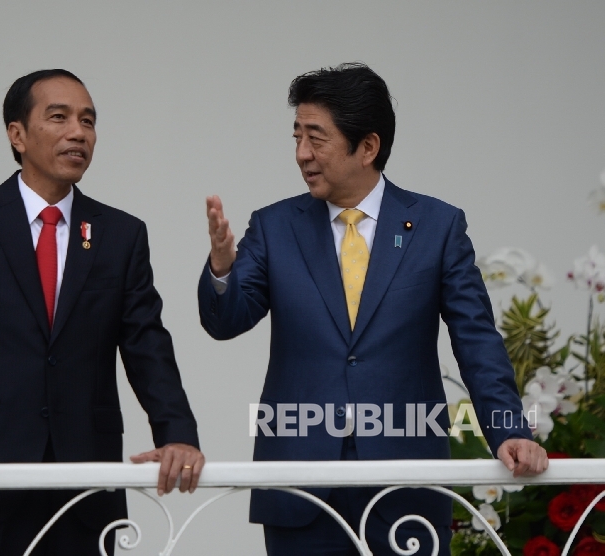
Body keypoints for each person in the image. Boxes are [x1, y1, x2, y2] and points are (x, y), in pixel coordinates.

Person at [198, 63, 548, 556]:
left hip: (406, 483)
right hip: (300, 482)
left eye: (316, 138)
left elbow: (476, 338)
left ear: (368, 146)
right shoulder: (275, 226)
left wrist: (508, 429)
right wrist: (221, 269)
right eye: (296, 135)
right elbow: (226, 320)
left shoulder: (437, 226)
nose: (302, 153)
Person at [0, 69, 204, 556]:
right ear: (17, 134)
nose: (79, 132)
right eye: (60, 117)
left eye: (88, 121)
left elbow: (147, 345)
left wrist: (178, 435)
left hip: (84, 480)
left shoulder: (120, 234)